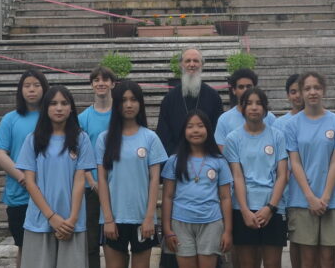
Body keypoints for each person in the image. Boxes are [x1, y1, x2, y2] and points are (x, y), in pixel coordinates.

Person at [16, 85, 97, 267]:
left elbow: (79, 180)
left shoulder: (81, 139)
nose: (59, 108)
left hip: (71, 223)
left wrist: (72, 219)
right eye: (53, 104)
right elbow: (30, 182)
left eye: (64, 103)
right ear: (45, 108)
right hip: (40, 220)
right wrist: (51, 217)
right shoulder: (33, 139)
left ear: (71, 108)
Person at [96, 81, 168, 268]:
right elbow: (102, 180)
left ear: (140, 103)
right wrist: (108, 219)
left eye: (134, 100)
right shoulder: (104, 139)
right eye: (124, 100)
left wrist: (149, 218)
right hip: (113, 219)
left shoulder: (150, 138)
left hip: (142, 219)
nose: (129, 105)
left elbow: (154, 181)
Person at [284, 71, 335, 268]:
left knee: (329, 259)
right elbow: (294, 163)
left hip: (332, 198)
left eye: (317, 88)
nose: (312, 92)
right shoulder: (291, 125)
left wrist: (325, 197)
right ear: (301, 93)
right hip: (301, 199)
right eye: (307, 88)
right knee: (308, 259)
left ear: (324, 90)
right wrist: (310, 198)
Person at [0, 68, 49, 266]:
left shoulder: (52, 116)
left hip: (50, 193)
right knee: (25, 247)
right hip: (20, 195)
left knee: (50, 246)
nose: (31, 89)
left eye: (36, 85)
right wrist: (23, 177)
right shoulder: (11, 118)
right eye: (27, 86)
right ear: (20, 90)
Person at [224, 87, 288, 268]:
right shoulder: (233, 138)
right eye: (249, 103)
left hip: (273, 207)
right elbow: (237, 176)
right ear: (242, 108)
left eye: (259, 103)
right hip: (244, 208)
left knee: (272, 263)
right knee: (247, 263)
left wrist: (270, 207)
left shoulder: (277, 136)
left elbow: (282, 175)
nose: (254, 107)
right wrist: (244, 210)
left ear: (265, 109)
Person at [162, 110, 233, 268]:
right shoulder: (174, 161)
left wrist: (227, 231)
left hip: (211, 223)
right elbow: (167, 196)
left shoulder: (219, 161)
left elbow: (225, 197)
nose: (195, 130)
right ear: (184, 131)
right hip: (181, 223)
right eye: (190, 126)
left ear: (208, 129)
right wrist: (167, 229)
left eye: (200, 126)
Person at [78, 67, 117, 268]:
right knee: (91, 241)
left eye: (105, 79)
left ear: (112, 84)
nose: (100, 83)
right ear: (92, 85)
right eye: (96, 80)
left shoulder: (120, 114)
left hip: (117, 184)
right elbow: (77, 153)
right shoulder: (83, 118)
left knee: (117, 239)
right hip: (91, 186)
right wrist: (91, 181)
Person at [157, 48, 224, 155]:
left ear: (202, 65)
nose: (192, 64)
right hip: (177, 158)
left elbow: (218, 132)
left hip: (206, 158)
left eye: (196, 61)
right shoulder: (170, 98)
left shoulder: (213, 97)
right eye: (188, 61)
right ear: (181, 65)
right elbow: (164, 134)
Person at [272, 74, 303, 268]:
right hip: (289, 192)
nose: (298, 95)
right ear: (287, 96)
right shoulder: (279, 124)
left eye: (301, 90)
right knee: (297, 241)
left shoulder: (323, 119)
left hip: (317, 188)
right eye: (293, 91)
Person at [215, 69, 276, 149]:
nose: (245, 90)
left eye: (249, 86)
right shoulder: (224, 119)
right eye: (241, 87)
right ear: (234, 90)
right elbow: (223, 150)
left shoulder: (269, 117)